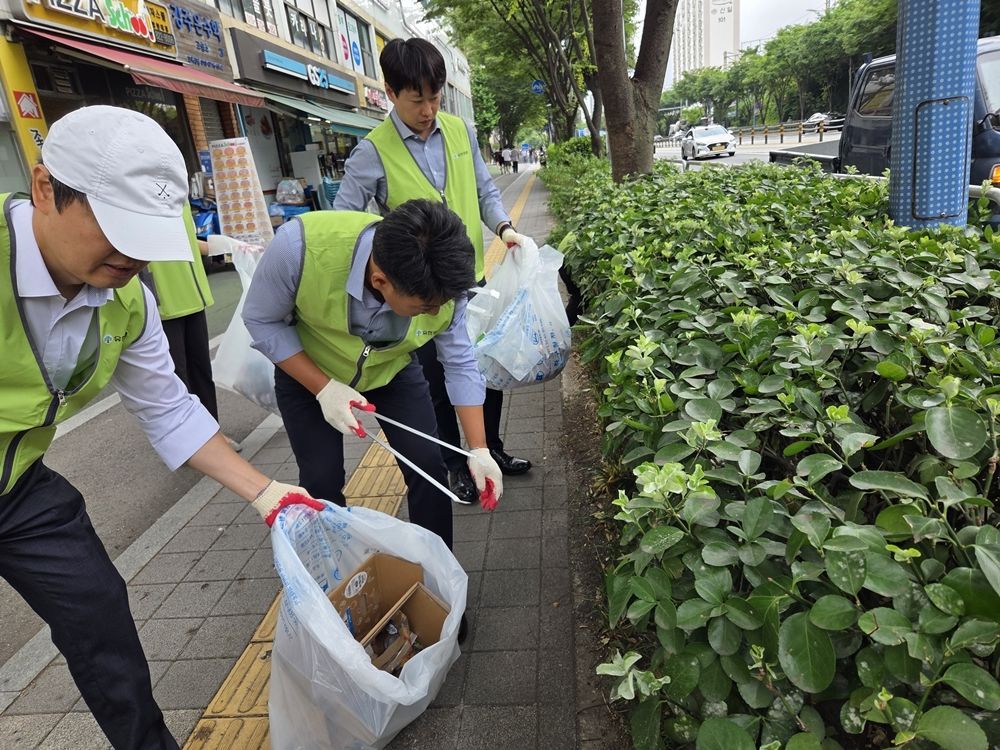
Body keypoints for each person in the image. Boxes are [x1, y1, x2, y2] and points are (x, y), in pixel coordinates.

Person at [0, 105, 320, 749]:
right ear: (45, 189)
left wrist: (265, 492)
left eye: (145, 233)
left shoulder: (127, 297)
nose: (131, 255)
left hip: (20, 486)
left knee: (98, 609)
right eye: (114, 227)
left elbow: (168, 406)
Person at [334, 37, 535, 505]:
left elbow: (485, 191)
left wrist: (504, 229)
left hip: (467, 277)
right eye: (416, 99)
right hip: (419, 291)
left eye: (435, 97)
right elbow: (344, 222)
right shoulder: (372, 152)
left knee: (483, 368)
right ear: (390, 92)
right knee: (437, 379)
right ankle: (453, 463)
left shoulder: (459, 131)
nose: (428, 110)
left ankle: (488, 449)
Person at [241, 199, 504, 556]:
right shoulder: (297, 248)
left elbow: (459, 362)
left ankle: (437, 575)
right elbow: (261, 319)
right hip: (309, 372)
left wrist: (479, 448)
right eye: (425, 307)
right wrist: (323, 388)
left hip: (392, 368)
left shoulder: (443, 285)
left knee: (428, 465)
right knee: (321, 480)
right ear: (380, 281)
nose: (436, 313)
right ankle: (338, 575)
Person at [143, 210, 241, 450]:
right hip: (163, 301)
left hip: (192, 297)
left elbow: (185, 238)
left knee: (200, 371)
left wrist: (227, 247)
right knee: (175, 378)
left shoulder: (179, 197)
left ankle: (213, 434)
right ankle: (189, 442)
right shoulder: (140, 194)